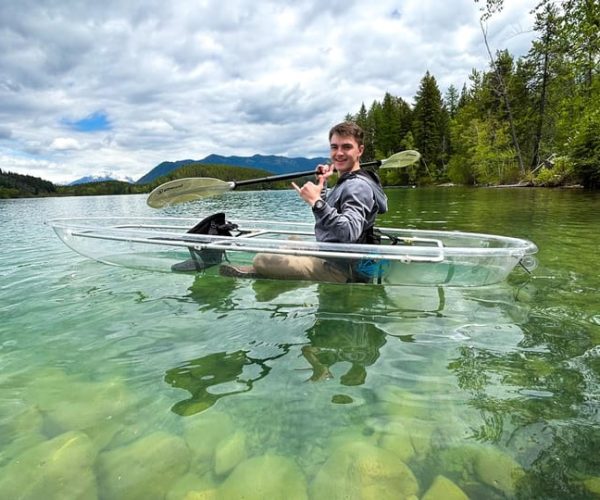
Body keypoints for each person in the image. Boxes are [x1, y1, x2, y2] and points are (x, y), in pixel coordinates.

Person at [220, 121, 388, 282]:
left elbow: (348, 232)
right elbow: (331, 220)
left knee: (261, 260)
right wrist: (322, 185)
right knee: (293, 240)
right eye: (334, 147)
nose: (339, 153)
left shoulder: (357, 186)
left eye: (347, 147)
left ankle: (262, 272)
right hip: (331, 254)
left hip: (341, 269)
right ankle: (274, 277)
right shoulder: (350, 181)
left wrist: (317, 202)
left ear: (360, 150)